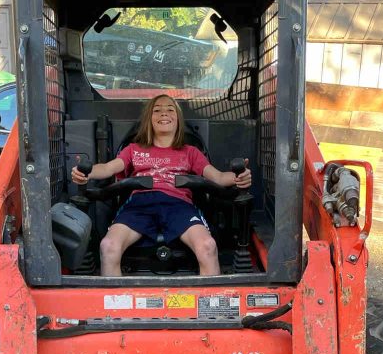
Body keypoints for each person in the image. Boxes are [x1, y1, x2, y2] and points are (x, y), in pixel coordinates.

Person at [71, 94, 251, 276]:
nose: (164, 113)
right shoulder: (134, 150)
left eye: (170, 109)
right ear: (149, 119)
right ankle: (116, 303)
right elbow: (108, 168)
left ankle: (212, 304)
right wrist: (87, 172)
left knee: (207, 246)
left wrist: (239, 176)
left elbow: (219, 177)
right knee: (108, 246)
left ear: (178, 120)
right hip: (139, 205)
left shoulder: (191, 152)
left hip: (178, 206)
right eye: (157, 110)